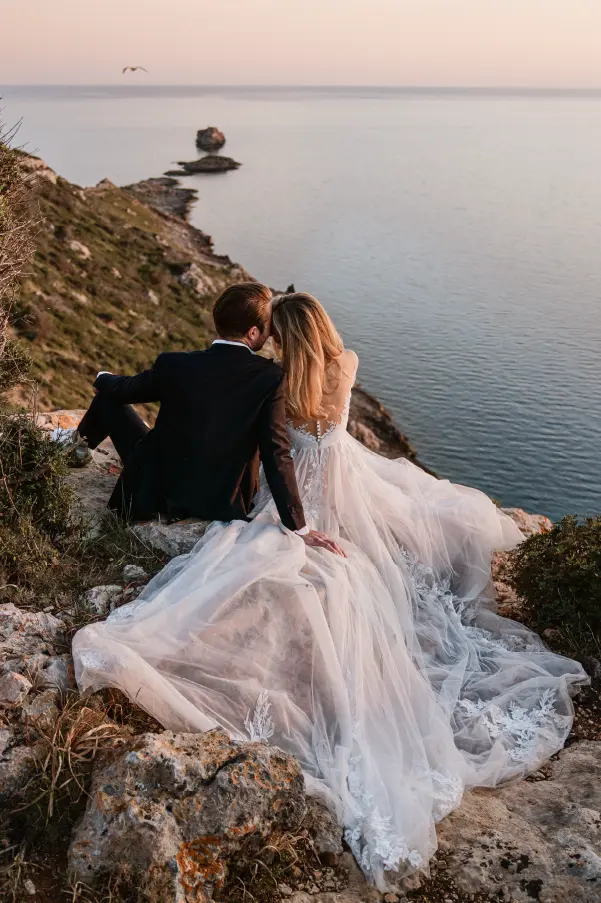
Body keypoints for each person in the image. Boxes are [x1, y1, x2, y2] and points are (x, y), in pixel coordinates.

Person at [73, 292, 587, 891]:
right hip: (344, 487)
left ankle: (73, 446)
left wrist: (291, 521)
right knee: (390, 558)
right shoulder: (338, 367)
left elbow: (272, 449)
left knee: (237, 561)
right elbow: (295, 433)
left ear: (277, 333)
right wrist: (307, 521)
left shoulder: (274, 379)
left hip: (284, 494)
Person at [75, 282, 343, 555]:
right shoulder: (270, 378)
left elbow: (125, 389)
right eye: (268, 327)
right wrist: (299, 527)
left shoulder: (175, 364)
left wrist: (103, 378)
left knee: (108, 397)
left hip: (158, 490)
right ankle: (75, 449)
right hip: (221, 500)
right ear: (253, 333)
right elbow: (276, 453)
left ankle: (74, 450)